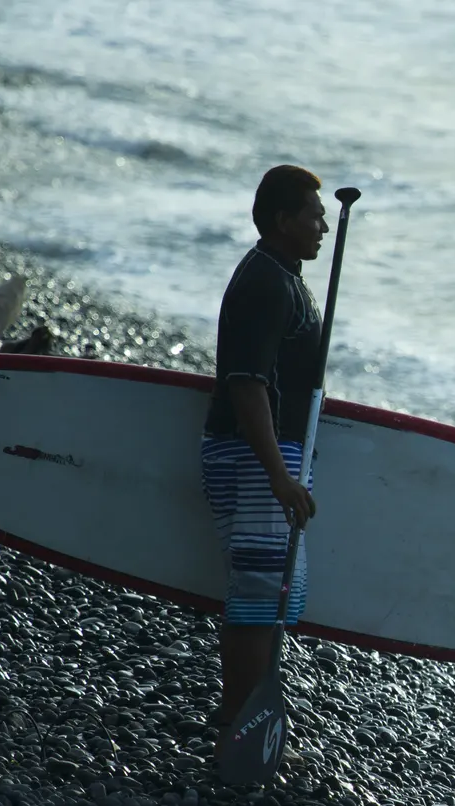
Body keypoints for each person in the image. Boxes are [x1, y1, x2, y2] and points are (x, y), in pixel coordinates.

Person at [201, 164, 328, 750]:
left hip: (271, 457)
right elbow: (246, 386)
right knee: (257, 592)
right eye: (312, 214)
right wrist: (279, 476)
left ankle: (246, 718)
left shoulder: (285, 278)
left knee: (275, 594)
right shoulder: (264, 283)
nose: (323, 226)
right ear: (283, 220)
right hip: (253, 458)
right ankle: (236, 721)